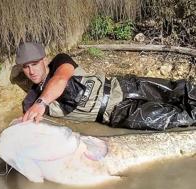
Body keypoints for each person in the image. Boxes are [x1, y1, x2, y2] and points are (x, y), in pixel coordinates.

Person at [15, 41, 196, 130]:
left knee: (180, 90)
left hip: (122, 86)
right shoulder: (31, 100)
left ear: (44, 60)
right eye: (26, 67)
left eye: (35, 63)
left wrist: (42, 103)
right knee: (176, 119)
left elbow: (61, 80)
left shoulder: (60, 62)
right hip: (117, 114)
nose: (31, 71)